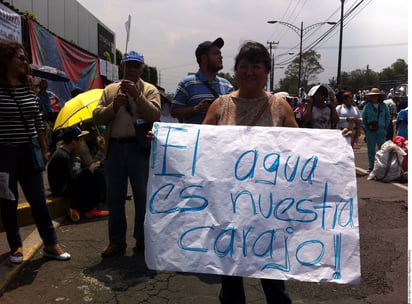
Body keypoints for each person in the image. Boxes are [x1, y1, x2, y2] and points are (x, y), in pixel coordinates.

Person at [202, 40, 296, 304]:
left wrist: (337, 144)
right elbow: (197, 146)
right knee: (231, 283)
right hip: (227, 209)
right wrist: (164, 140)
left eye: (256, 66)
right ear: (236, 70)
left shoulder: (280, 107)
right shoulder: (220, 106)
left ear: (266, 71)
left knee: (275, 284)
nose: (249, 72)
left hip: (269, 211)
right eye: (243, 66)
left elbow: (301, 150)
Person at [0, 39, 70, 263]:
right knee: (8, 201)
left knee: (38, 199)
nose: (25, 61)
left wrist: (43, 147)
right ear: (5, 59)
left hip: (29, 151)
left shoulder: (28, 85)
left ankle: (51, 244)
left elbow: (37, 120)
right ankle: (16, 246)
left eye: (25, 57)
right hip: (4, 155)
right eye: (20, 57)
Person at [93, 50, 161, 257]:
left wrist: (137, 96)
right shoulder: (111, 89)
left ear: (141, 68)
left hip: (139, 149)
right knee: (114, 197)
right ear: (123, 66)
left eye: (136, 65)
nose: (132, 69)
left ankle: (142, 238)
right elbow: (97, 117)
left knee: (142, 197)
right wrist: (114, 106)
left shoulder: (150, 90)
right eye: (128, 65)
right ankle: (117, 241)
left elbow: (155, 114)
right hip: (114, 148)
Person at [47, 126, 108, 221]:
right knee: (91, 175)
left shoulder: (67, 152)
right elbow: (71, 179)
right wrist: (88, 170)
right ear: (73, 141)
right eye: (80, 140)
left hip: (65, 184)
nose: (82, 143)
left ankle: (89, 207)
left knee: (96, 172)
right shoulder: (62, 156)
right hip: (62, 188)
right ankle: (88, 209)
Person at [171, 37, 234, 124]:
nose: (221, 57)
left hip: (221, 137)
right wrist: (196, 109)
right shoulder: (187, 83)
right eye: (216, 54)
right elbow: (174, 112)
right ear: (204, 58)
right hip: (195, 136)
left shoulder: (227, 85)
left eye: (220, 53)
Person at [361, 88, 391, 172]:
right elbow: (363, 118)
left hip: (381, 130)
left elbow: (387, 117)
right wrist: (366, 129)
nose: (374, 97)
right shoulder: (367, 106)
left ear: (378, 96)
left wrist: (386, 126)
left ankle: (382, 165)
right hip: (370, 131)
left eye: (375, 95)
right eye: (372, 96)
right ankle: (371, 166)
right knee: (371, 149)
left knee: (382, 149)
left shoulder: (384, 106)